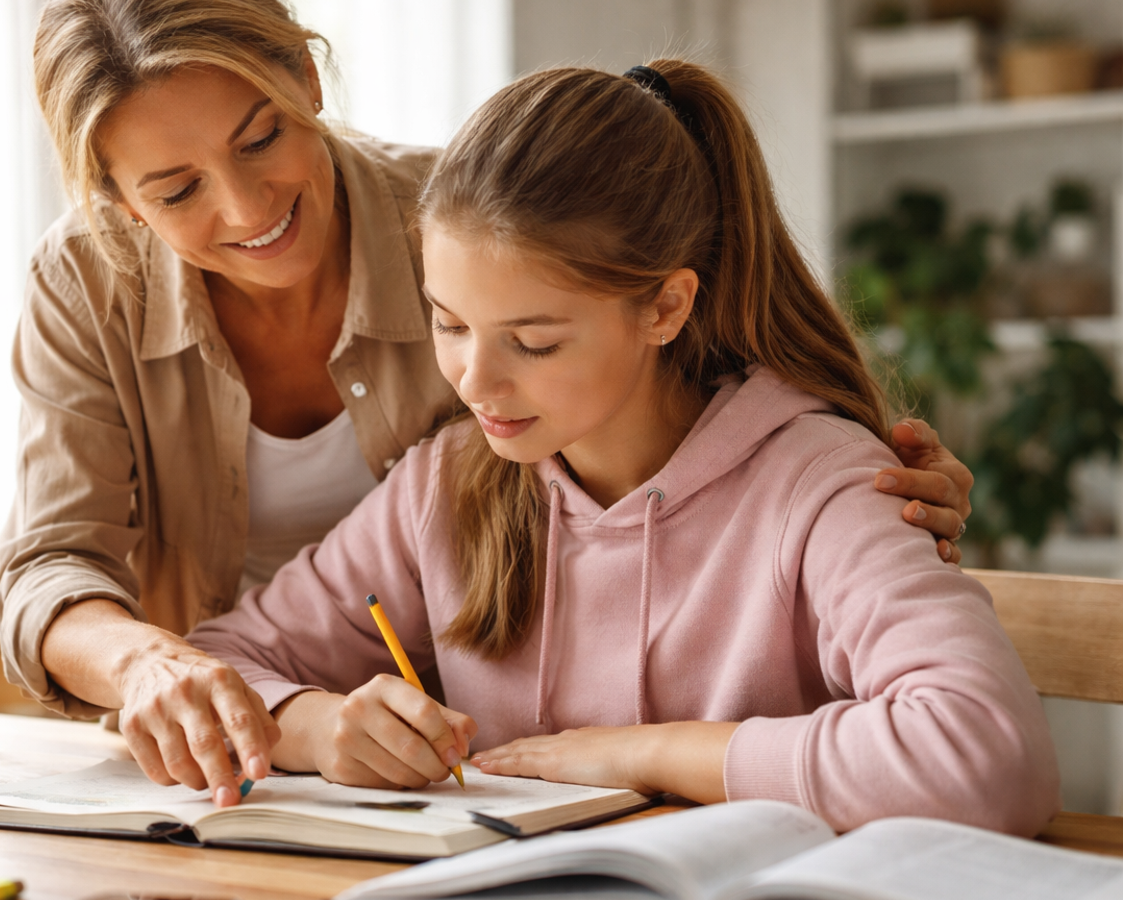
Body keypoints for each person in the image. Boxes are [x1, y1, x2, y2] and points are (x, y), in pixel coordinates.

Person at [0, 0, 979, 810]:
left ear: (305, 74)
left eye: (261, 138)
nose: (247, 204)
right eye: (448, 325)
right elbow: (59, 568)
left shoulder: (466, 211)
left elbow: (687, 348)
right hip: (354, 780)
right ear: (120, 202)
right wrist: (223, 691)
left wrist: (853, 454)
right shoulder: (441, 479)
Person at [186, 61, 1059, 835]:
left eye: (533, 341)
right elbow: (216, 659)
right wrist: (314, 726)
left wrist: (647, 753)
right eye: (448, 324)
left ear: (666, 308)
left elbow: (991, 756)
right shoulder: (448, 484)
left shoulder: (820, 482)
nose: (474, 382)